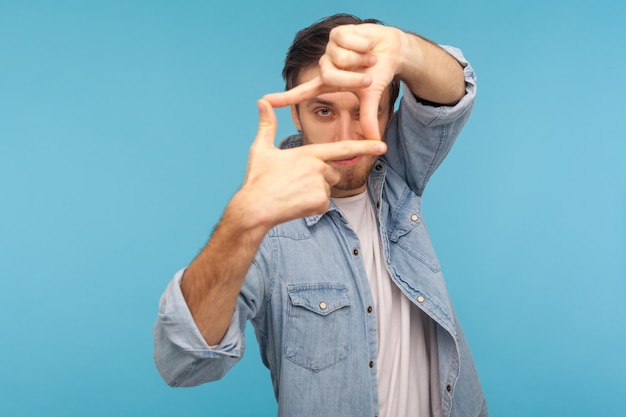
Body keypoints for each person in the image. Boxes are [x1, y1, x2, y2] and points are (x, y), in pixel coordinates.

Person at [154, 13, 487, 417]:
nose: (347, 136)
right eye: (324, 112)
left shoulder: (399, 170)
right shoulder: (266, 230)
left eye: (365, 109)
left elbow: (452, 93)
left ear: (388, 114)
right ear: (296, 114)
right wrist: (244, 220)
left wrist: (400, 48)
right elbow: (184, 362)